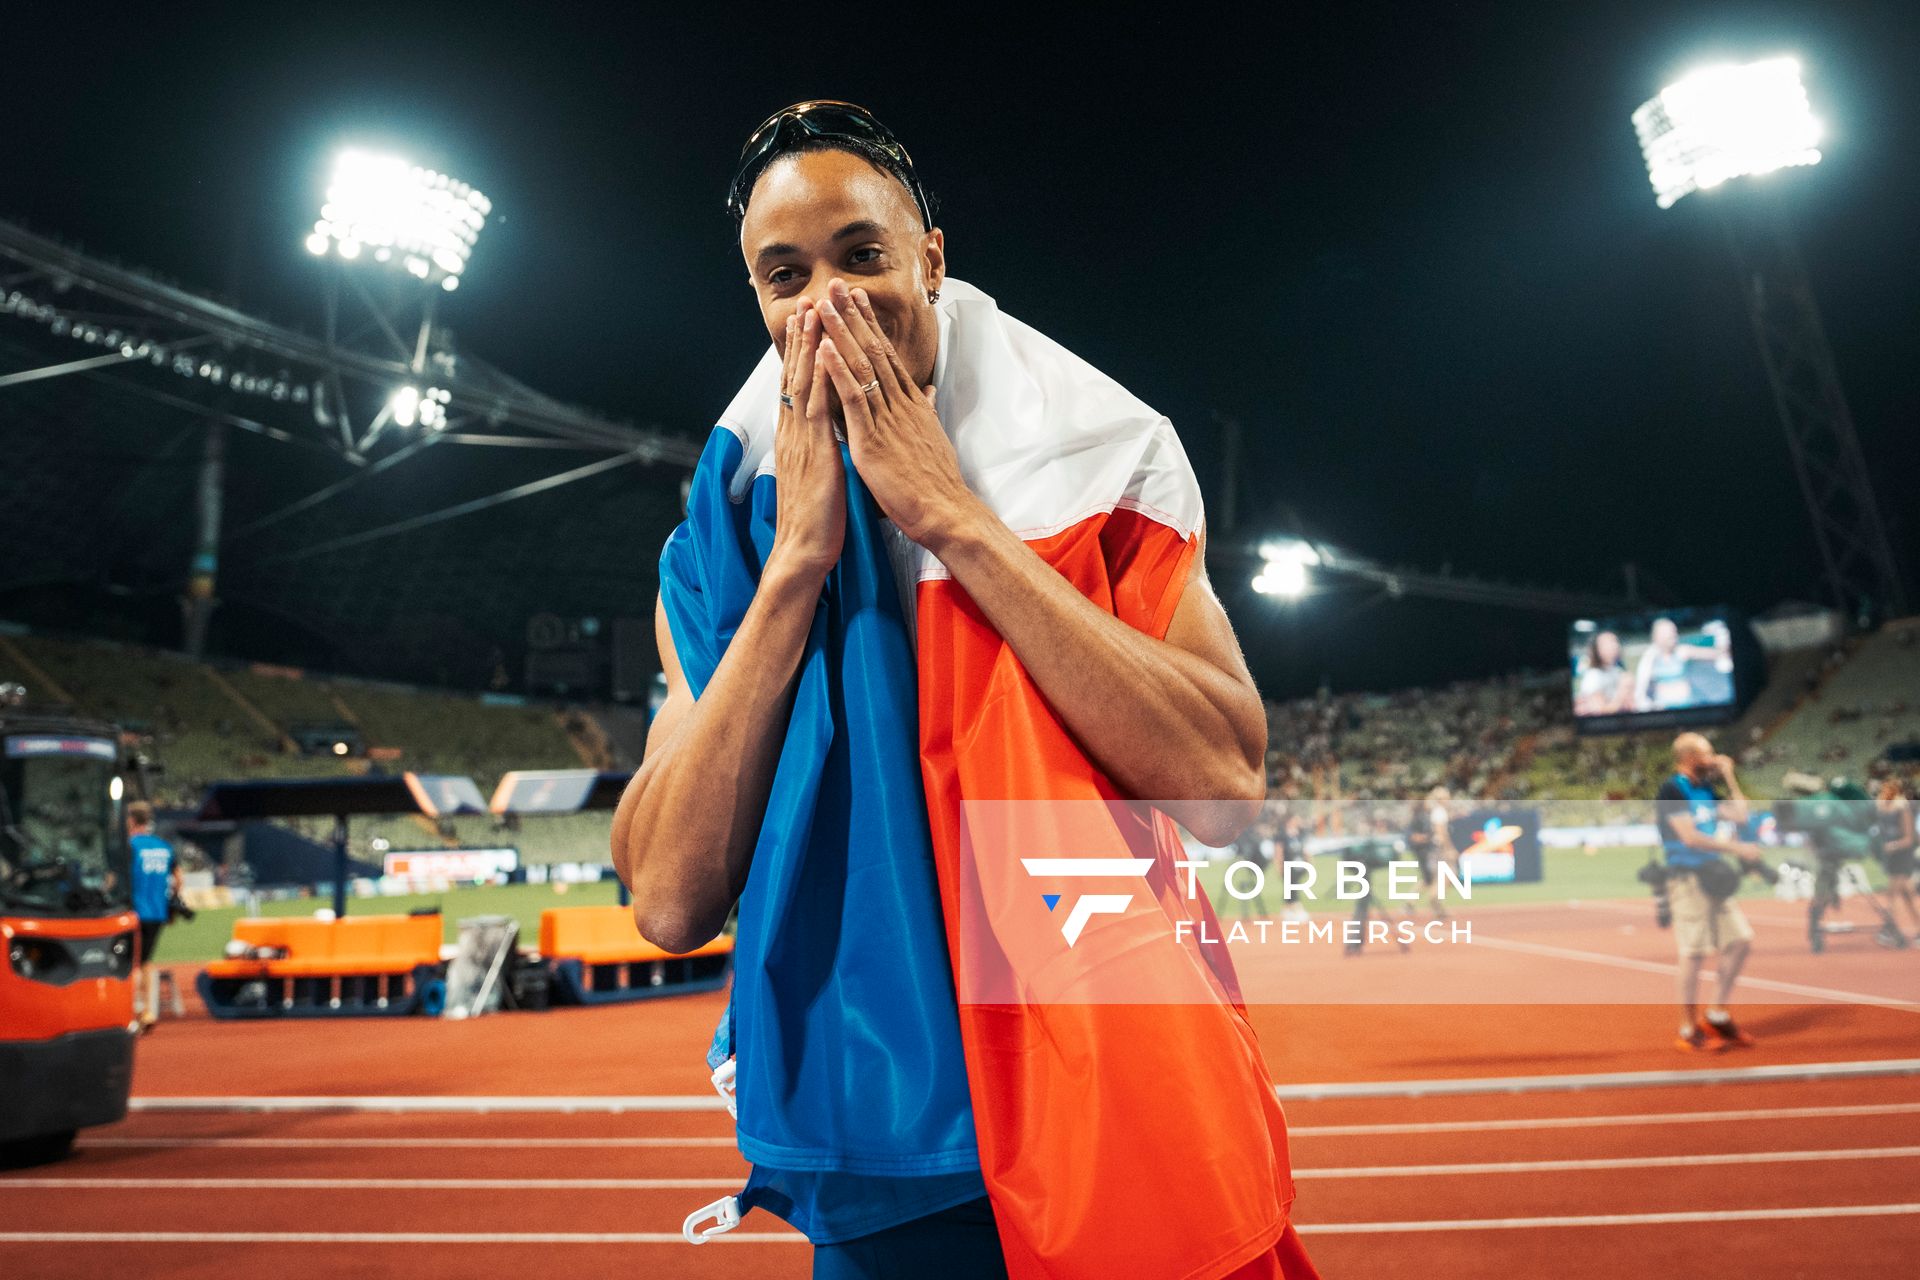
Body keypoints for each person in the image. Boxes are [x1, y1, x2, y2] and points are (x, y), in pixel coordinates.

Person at [612, 101, 1313, 1280]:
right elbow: (671, 895)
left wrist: (951, 518)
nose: (827, 302)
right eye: (785, 275)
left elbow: (1222, 787)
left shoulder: (1099, 449)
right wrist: (795, 571)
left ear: (933, 255)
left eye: (863, 255)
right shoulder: (731, 514)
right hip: (886, 1136)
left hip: (1114, 1086)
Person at [1653, 733, 1767, 1052]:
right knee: (1693, 952)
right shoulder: (1673, 789)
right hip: (1687, 878)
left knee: (1741, 940)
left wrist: (1729, 775)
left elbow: (1741, 814)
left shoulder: (1706, 790)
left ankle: (1716, 1013)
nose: (1714, 759)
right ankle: (1688, 1028)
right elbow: (1688, 837)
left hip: (1713, 876)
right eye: (1708, 754)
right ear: (1689, 757)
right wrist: (1736, 848)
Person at [127, 800, 179, 1031]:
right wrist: (172, 901)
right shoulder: (164, 847)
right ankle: (148, 1011)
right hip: (157, 912)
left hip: (133, 911)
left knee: (131, 964)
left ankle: (132, 1011)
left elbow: (115, 879)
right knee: (146, 962)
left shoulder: (130, 846)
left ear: (132, 820)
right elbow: (179, 879)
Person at [1875, 778, 1919, 936]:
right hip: (1892, 855)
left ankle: (1890, 928)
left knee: (1893, 892)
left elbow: (1909, 838)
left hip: (1903, 854)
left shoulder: (1902, 807)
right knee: (1908, 895)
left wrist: (1892, 846)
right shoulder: (1882, 806)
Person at [1573, 630, 1631, 716]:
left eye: (1615, 642)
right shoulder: (1593, 676)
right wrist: (1622, 691)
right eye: (1607, 644)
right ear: (1596, 650)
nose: (1614, 646)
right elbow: (1601, 714)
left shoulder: (1616, 670)